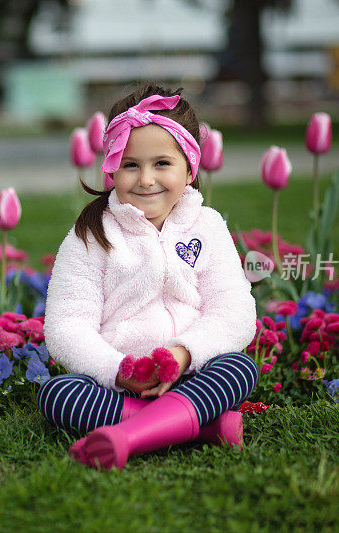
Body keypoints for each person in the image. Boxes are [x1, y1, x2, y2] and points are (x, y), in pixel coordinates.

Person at [37, 83, 259, 471]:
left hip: (192, 376)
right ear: (111, 168)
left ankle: (126, 436)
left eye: (161, 163)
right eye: (130, 165)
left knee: (239, 368)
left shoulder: (206, 226)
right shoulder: (92, 234)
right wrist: (120, 372)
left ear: (189, 168)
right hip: (119, 385)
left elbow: (233, 311)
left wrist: (182, 354)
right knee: (57, 393)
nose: (145, 180)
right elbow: (67, 325)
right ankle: (203, 429)